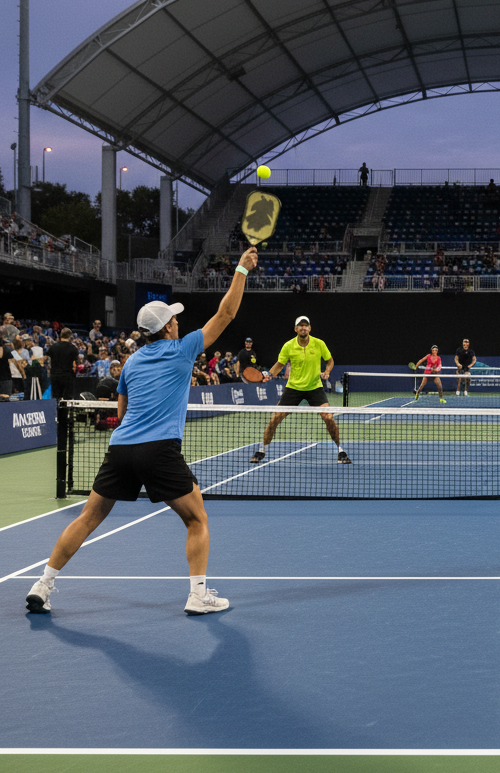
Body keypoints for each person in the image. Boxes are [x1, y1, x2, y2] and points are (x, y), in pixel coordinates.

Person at [25, 247, 260, 617]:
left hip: (121, 449)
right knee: (196, 519)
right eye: (174, 319)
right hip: (159, 450)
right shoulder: (184, 350)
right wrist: (242, 271)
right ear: (167, 327)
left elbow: (121, 412)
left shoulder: (131, 362)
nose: (178, 322)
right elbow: (226, 313)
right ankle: (198, 595)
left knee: (87, 517)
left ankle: (43, 584)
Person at [250, 317, 350, 463]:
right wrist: (270, 375)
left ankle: (340, 451)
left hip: (314, 387)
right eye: (300, 326)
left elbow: (330, 360)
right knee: (275, 419)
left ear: (310, 328)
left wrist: (327, 371)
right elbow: (279, 364)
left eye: (306, 325)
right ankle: (262, 450)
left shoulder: (319, 344)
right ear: (296, 329)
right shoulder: (288, 346)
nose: (303, 328)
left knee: (329, 418)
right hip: (293, 389)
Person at [47, 327, 80, 401]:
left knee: (55, 398)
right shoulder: (73, 348)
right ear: (70, 336)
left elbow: (48, 361)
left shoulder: (53, 347)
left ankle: (56, 412)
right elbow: (75, 364)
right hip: (67, 376)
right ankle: (65, 412)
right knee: (67, 399)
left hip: (55, 376)